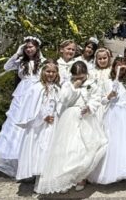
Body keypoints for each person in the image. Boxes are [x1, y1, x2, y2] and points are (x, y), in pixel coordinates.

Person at [36, 61, 106, 194]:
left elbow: (96, 98)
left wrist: (89, 107)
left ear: (86, 74)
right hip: (70, 118)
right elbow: (64, 99)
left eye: (81, 77)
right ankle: (66, 179)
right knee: (69, 148)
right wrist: (74, 86)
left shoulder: (92, 84)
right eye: (76, 77)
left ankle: (81, 178)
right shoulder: (68, 84)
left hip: (86, 118)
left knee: (84, 148)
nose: (79, 79)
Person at [0, 36, 44, 177]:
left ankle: (32, 157)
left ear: (37, 47)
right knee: (16, 122)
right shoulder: (21, 62)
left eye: (31, 47)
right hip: (22, 93)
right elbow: (6, 67)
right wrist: (17, 53)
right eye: (26, 47)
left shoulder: (42, 62)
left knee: (32, 120)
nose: (29, 49)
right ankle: (13, 155)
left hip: (36, 92)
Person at [89, 56, 126, 185]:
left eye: (123, 66)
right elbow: (102, 100)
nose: (121, 69)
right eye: (118, 66)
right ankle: (116, 170)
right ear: (113, 67)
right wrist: (109, 96)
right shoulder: (108, 82)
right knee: (115, 140)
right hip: (114, 112)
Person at [15, 60, 61, 182]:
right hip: (40, 124)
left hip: (53, 123)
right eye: (48, 71)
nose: (50, 74)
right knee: (40, 148)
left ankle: (49, 176)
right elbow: (32, 106)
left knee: (50, 148)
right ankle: (39, 176)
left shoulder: (57, 88)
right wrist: (43, 117)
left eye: (53, 72)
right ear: (43, 72)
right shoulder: (37, 88)